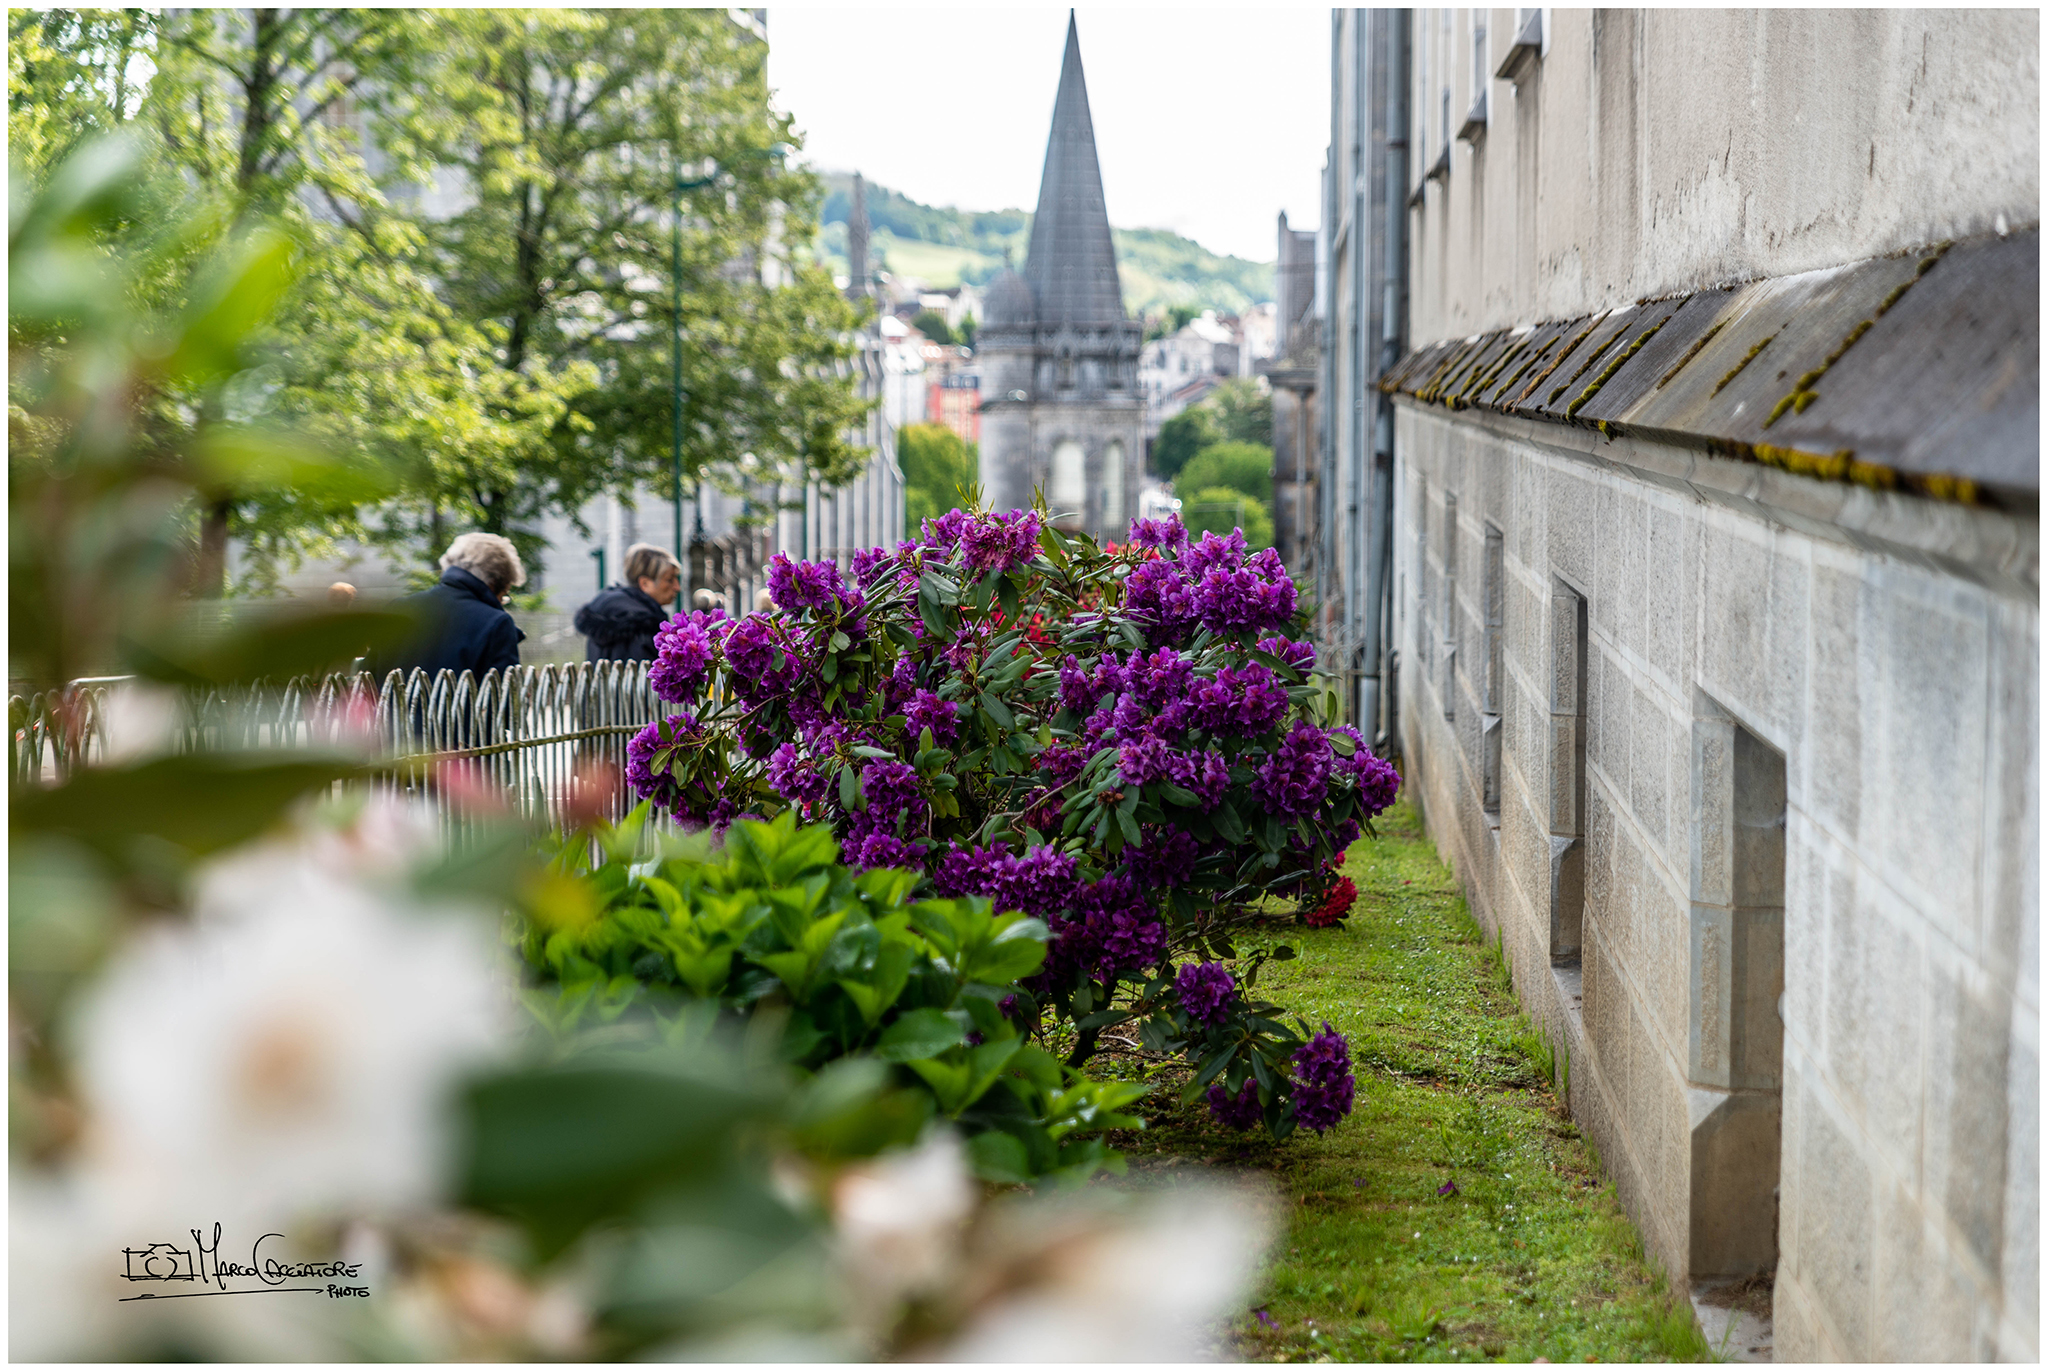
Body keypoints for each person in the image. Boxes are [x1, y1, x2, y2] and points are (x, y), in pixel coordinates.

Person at [373, 533, 527, 678]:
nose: (502, 602)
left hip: (396, 706)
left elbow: (366, 683)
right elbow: (504, 699)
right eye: (504, 594)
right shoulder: (496, 624)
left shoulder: (397, 610)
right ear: (494, 584)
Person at [573, 543, 680, 662]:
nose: (677, 587)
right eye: (670, 580)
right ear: (645, 583)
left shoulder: (602, 607)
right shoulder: (644, 622)